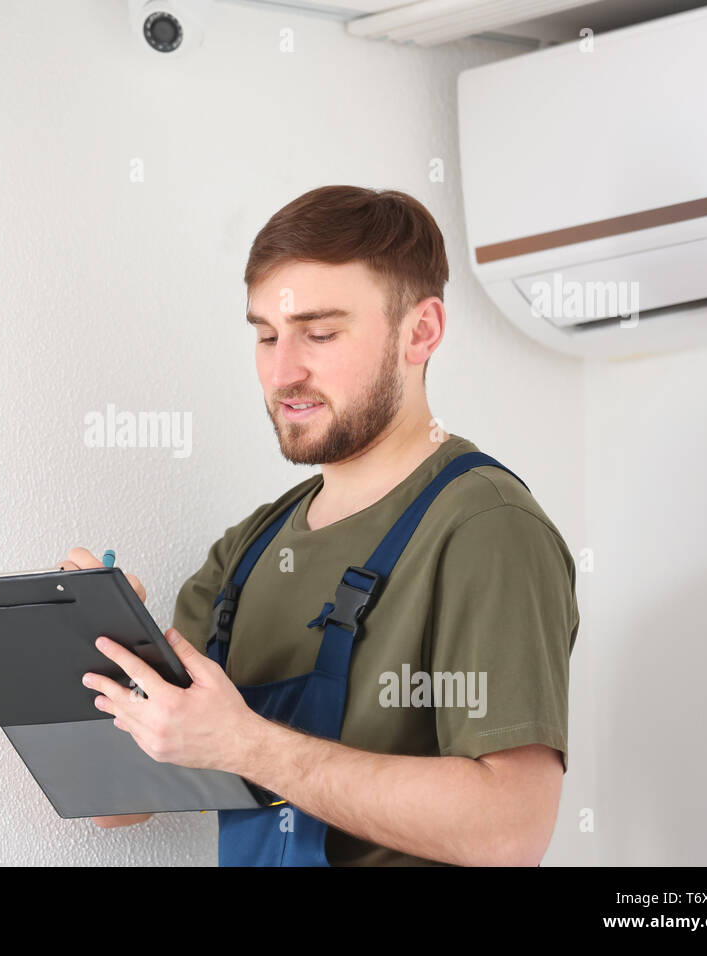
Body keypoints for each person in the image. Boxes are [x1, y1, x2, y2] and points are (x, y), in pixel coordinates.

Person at [61, 185, 579, 866]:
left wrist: (248, 745)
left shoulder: (485, 527)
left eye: (321, 333)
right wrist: (99, 649)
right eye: (267, 336)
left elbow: (510, 831)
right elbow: (112, 801)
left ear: (420, 332)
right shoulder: (248, 552)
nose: (283, 372)